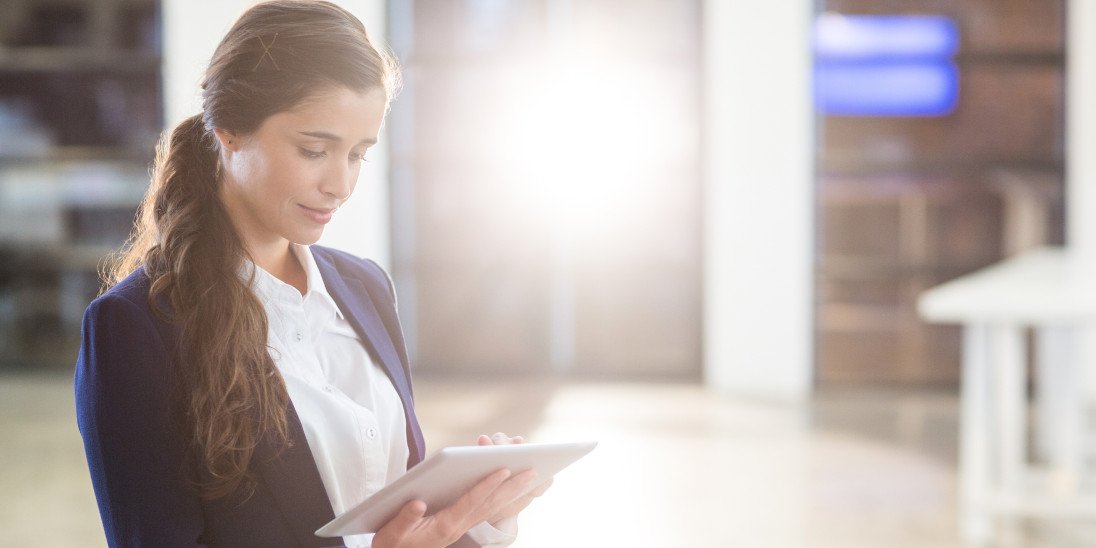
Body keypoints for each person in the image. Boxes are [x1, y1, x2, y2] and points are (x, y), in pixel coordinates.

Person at [74, 2, 548, 546]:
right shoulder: (135, 329)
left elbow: (402, 516)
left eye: (358, 155)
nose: (340, 185)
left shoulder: (366, 288)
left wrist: (478, 516)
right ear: (229, 130)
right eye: (314, 150)